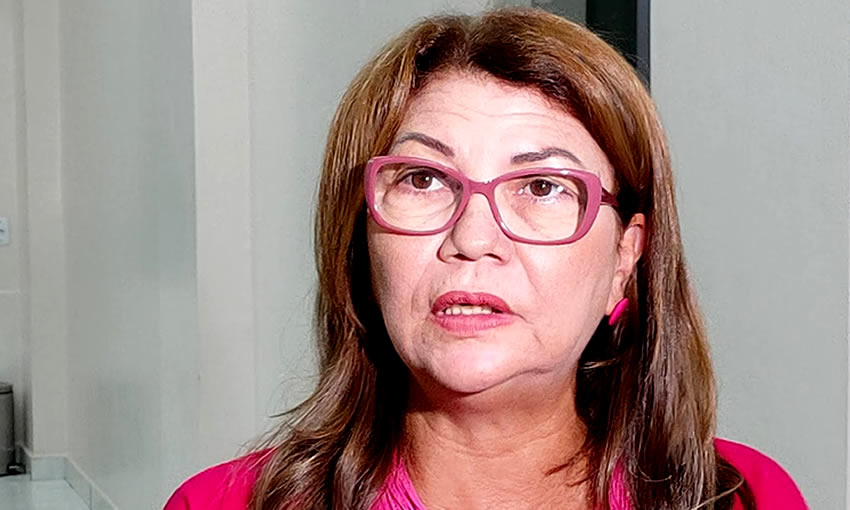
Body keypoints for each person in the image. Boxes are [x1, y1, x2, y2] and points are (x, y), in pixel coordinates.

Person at [165, 8, 807, 510]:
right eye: (423, 180)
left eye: (543, 187)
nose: (473, 238)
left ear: (625, 259)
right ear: (362, 241)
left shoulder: (745, 498)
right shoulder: (222, 504)